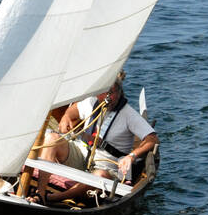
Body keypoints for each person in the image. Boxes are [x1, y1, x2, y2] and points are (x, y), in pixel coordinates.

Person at [34, 73, 158, 203]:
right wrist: (66, 118)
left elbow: (153, 139)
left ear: (120, 92)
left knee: (100, 176)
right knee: (52, 139)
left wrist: (131, 156)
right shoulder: (92, 102)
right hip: (81, 155)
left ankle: (53, 198)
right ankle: (40, 192)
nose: (106, 97)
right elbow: (73, 110)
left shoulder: (129, 115)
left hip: (106, 167)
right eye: (102, 92)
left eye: (111, 93)